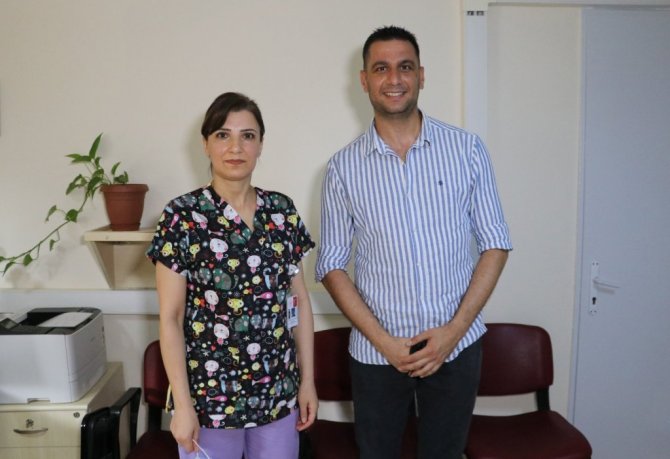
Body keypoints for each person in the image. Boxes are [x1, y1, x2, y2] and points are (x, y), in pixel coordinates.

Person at [315, 26, 512, 459]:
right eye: (381, 68)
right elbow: (330, 265)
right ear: (364, 80)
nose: (394, 79)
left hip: (455, 347)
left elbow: (496, 244)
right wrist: (385, 343)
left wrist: (453, 333)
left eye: (405, 67)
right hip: (377, 354)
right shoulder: (343, 168)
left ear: (421, 75)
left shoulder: (466, 150)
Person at [147, 92, 317, 459]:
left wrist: (307, 382)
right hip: (208, 402)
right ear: (205, 144)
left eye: (248, 136)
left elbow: (299, 303)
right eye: (223, 135)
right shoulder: (182, 217)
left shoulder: (281, 212)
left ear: (261, 145)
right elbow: (171, 318)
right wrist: (183, 406)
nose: (235, 147)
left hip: (276, 396)